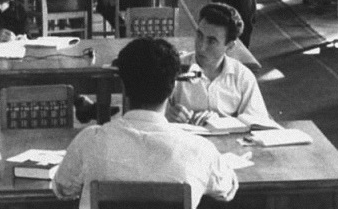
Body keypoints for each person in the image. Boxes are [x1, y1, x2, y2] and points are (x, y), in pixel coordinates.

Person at [53, 36, 237, 209]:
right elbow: (227, 189)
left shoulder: (90, 141)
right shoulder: (200, 151)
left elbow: (63, 189)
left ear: (123, 86)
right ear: (173, 87)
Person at [167, 3, 273, 127]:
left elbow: (258, 121)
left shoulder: (242, 77)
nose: (201, 46)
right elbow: (147, 114)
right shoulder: (172, 68)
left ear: (229, 46)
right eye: (200, 35)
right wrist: (167, 114)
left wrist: (221, 122)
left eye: (212, 41)